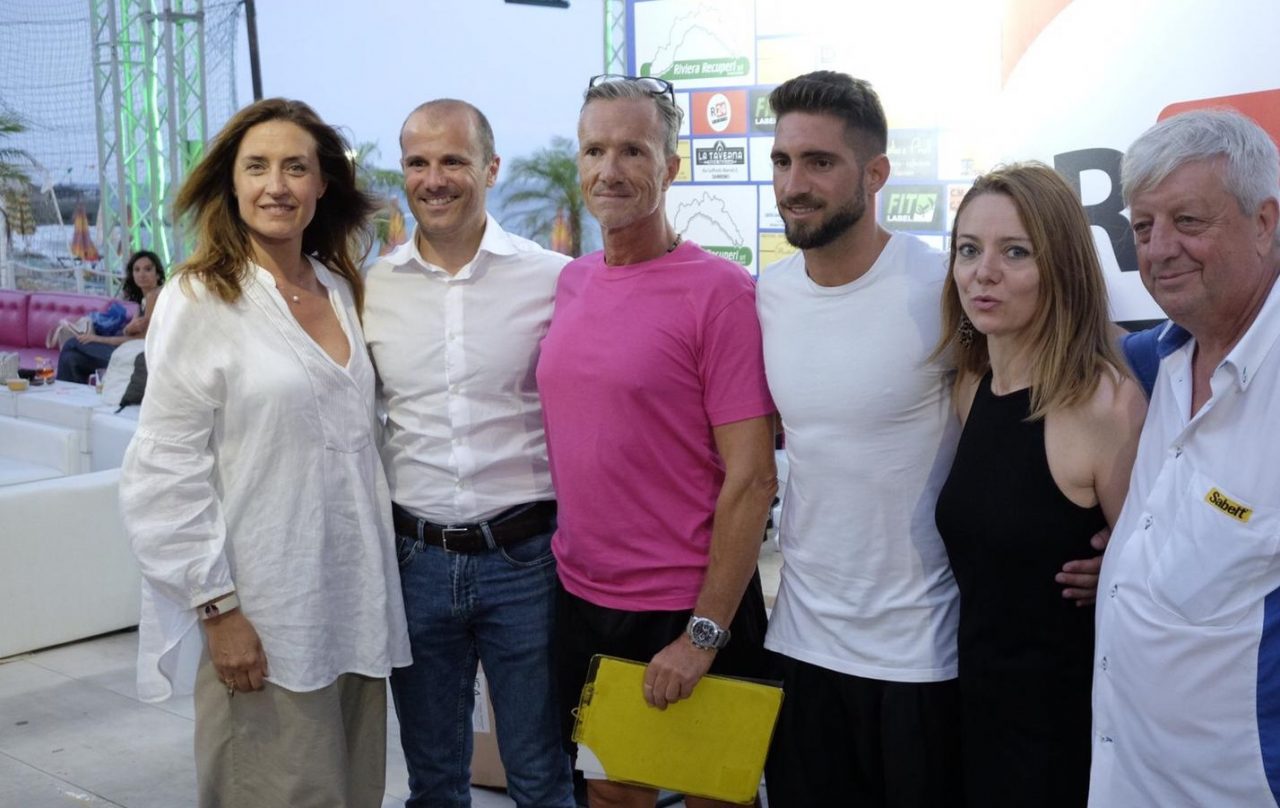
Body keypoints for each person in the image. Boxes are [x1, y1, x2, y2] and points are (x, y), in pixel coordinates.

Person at [756, 71, 1108, 808]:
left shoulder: (938, 286)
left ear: (876, 173)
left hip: (925, 658)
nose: (795, 183)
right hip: (801, 644)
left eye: (820, 162)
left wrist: (1118, 547)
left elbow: (1061, 373)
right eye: (783, 161)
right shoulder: (768, 294)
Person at [118, 97, 410, 807]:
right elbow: (163, 470)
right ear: (233, 184)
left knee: (350, 793)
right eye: (257, 167)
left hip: (353, 609)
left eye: (294, 167)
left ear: (321, 186)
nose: (275, 184)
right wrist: (217, 610)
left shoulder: (339, 289)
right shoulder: (199, 298)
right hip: (265, 616)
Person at [536, 74, 777, 808]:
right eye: (595, 150)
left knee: (712, 797)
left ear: (671, 168)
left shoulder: (720, 292)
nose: (610, 170)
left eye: (633, 150)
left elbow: (752, 478)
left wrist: (704, 633)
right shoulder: (572, 283)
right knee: (613, 800)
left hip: (690, 603)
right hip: (582, 597)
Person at [363, 99, 575, 808]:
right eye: (418, 163)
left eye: (453, 160)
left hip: (527, 560)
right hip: (414, 560)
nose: (435, 178)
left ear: (490, 166)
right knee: (434, 780)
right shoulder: (370, 290)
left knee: (542, 774)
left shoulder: (553, 278)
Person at [932, 162, 1146, 807]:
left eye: (1015, 252)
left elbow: (1150, 579)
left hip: (1066, 732)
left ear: (1062, 268)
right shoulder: (971, 388)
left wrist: (1117, 567)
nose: (983, 272)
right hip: (970, 707)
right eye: (968, 250)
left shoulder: (1105, 404)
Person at [1090, 109, 1280, 806]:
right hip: (1125, 780)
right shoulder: (1150, 362)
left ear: (1265, 222)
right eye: (1142, 227)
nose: (1160, 249)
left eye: (1189, 222)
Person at [55, 249, 164, 382]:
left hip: (141, 356)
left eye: (147, 269)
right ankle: (77, 399)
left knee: (73, 343)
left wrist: (97, 339)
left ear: (157, 274)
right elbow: (130, 332)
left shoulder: (155, 296)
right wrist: (128, 329)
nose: (141, 274)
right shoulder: (144, 299)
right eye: (137, 270)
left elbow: (142, 339)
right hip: (130, 350)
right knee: (71, 359)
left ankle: (62, 395)